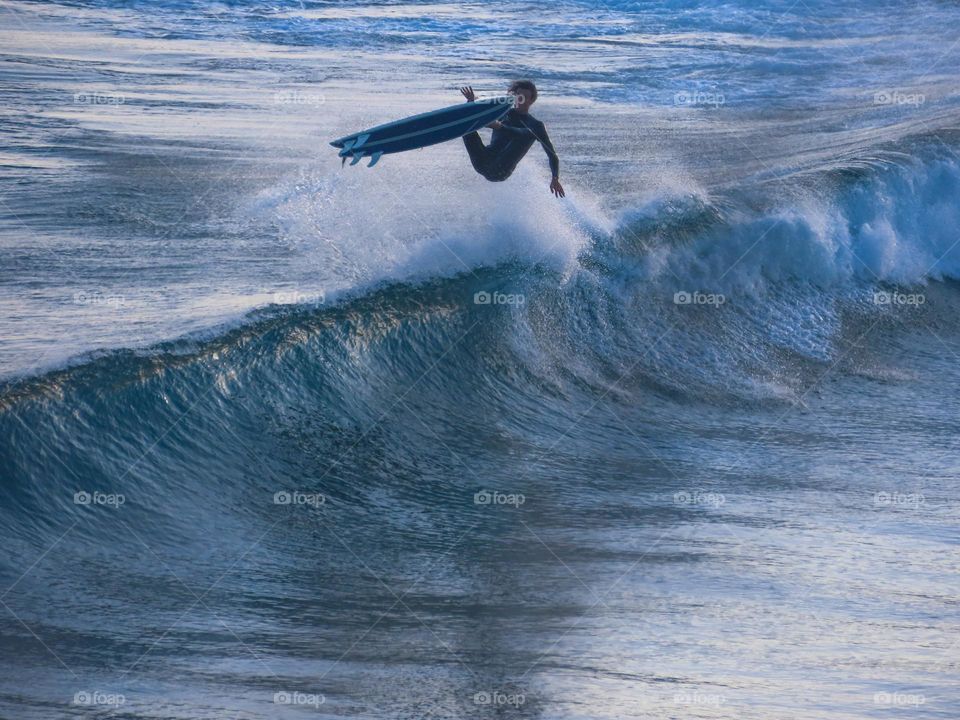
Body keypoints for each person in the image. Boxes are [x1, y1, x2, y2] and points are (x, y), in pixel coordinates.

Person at [459, 80, 565, 198]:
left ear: (531, 100)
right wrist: (471, 102)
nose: (520, 100)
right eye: (518, 96)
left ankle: (499, 127)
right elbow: (481, 112)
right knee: (467, 124)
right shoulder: (501, 112)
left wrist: (555, 178)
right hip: (482, 161)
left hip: (500, 171)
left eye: (525, 97)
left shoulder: (536, 125)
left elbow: (552, 155)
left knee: (529, 133)